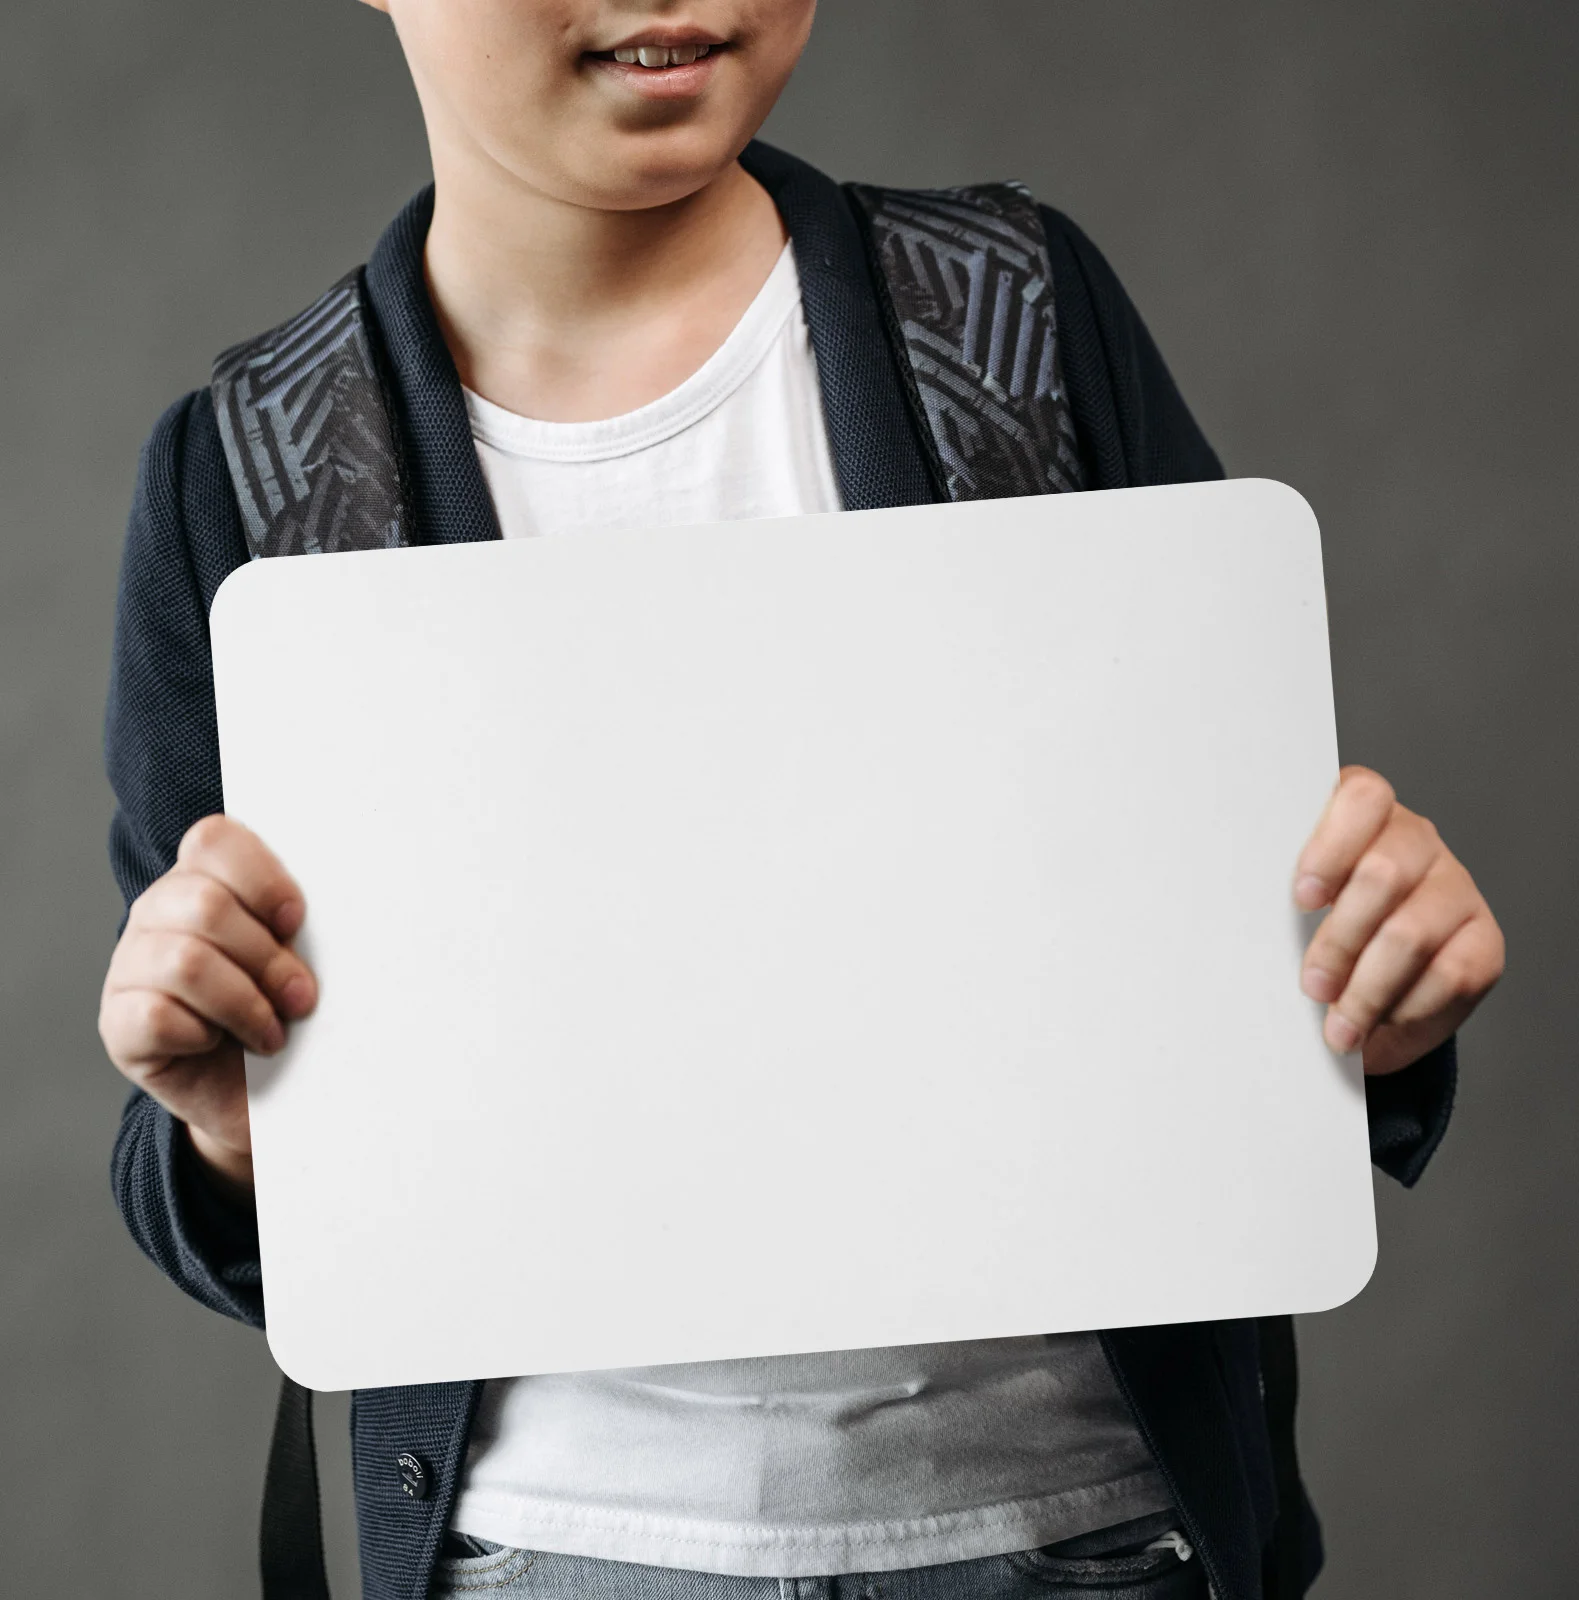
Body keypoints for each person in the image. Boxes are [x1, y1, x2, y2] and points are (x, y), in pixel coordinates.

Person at [97, 3, 1505, 1598]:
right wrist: (227, 1130)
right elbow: (237, 1160)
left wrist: (1368, 996)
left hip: (1090, 1532)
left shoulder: (1016, 321)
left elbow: (1253, 925)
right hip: (561, 1552)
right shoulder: (245, 478)